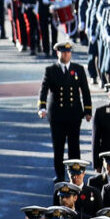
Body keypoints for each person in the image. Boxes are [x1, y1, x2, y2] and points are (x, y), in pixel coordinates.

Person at [38, 41, 94, 182]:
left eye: (68, 52)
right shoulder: (51, 70)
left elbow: (85, 91)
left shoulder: (78, 69)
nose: (66, 54)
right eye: (63, 52)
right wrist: (42, 107)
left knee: (74, 146)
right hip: (57, 114)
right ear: (58, 53)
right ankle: (60, 174)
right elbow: (44, 89)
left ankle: (75, 173)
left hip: (74, 114)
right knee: (58, 146)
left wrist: (88, 110)